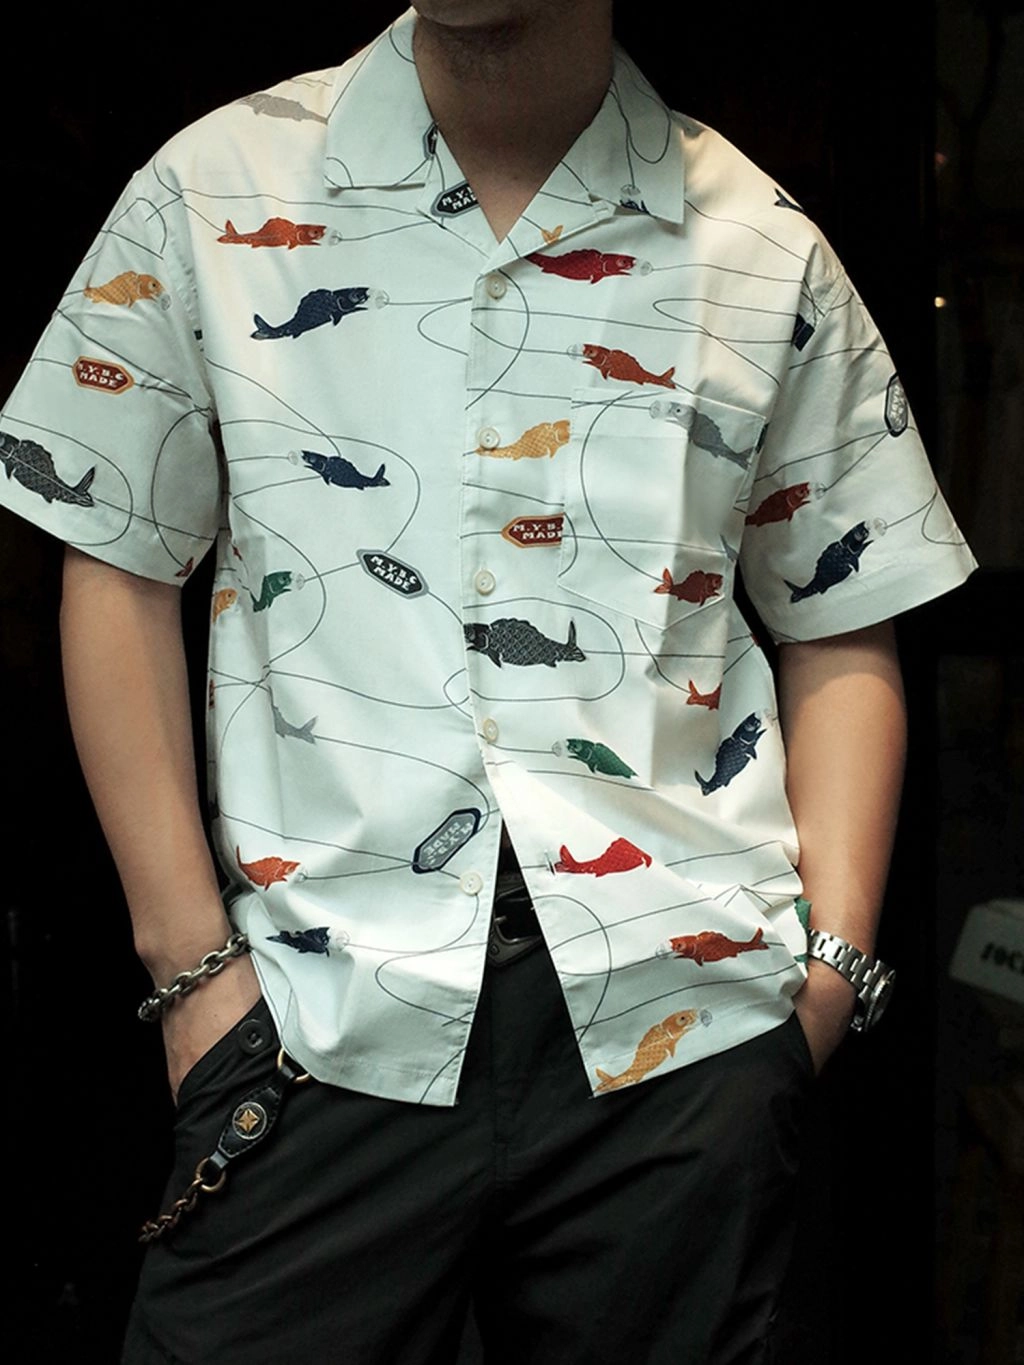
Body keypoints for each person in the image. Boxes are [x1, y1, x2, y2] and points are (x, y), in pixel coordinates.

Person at [0, 3, 974, 1361]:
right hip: (314, 1015)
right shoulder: (212, 187)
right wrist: (192, 974)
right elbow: (114, 557)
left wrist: (827, 975)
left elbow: (839, 619)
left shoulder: (760, 242)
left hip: (679, 1034)